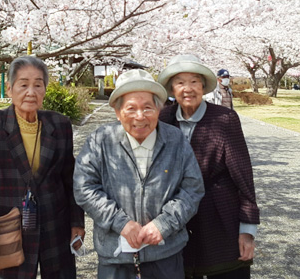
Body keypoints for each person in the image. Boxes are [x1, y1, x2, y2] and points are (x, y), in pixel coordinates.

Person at [0, 56, 85, 279]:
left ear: (45, 89)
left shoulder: (60, 124)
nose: (31, 92)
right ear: (9, 89)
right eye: (24, 84)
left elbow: (70, 178)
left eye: (38, 84)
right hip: (8, 229)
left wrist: (76, 221)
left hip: (55, 225)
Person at [74, 69, 204, 279]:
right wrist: (121, 222)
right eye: (131, 108)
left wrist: (164, 224)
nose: (140, 116)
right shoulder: (100, 140)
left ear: (159, 109)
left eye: (148, 108)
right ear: (117, 112)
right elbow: (84, 187)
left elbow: (192, 188)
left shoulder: (176, 140)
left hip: (165, 253)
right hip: (115, 255)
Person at [157, 54, 260, 279]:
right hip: (176, 219)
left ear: (203, 86)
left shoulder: (224, 119)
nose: (188, 89)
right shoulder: (163, 118)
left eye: (194, 81)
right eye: (180, 82)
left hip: (219, 217)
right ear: (171, 88)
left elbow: (243, 176)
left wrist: (248, 230)